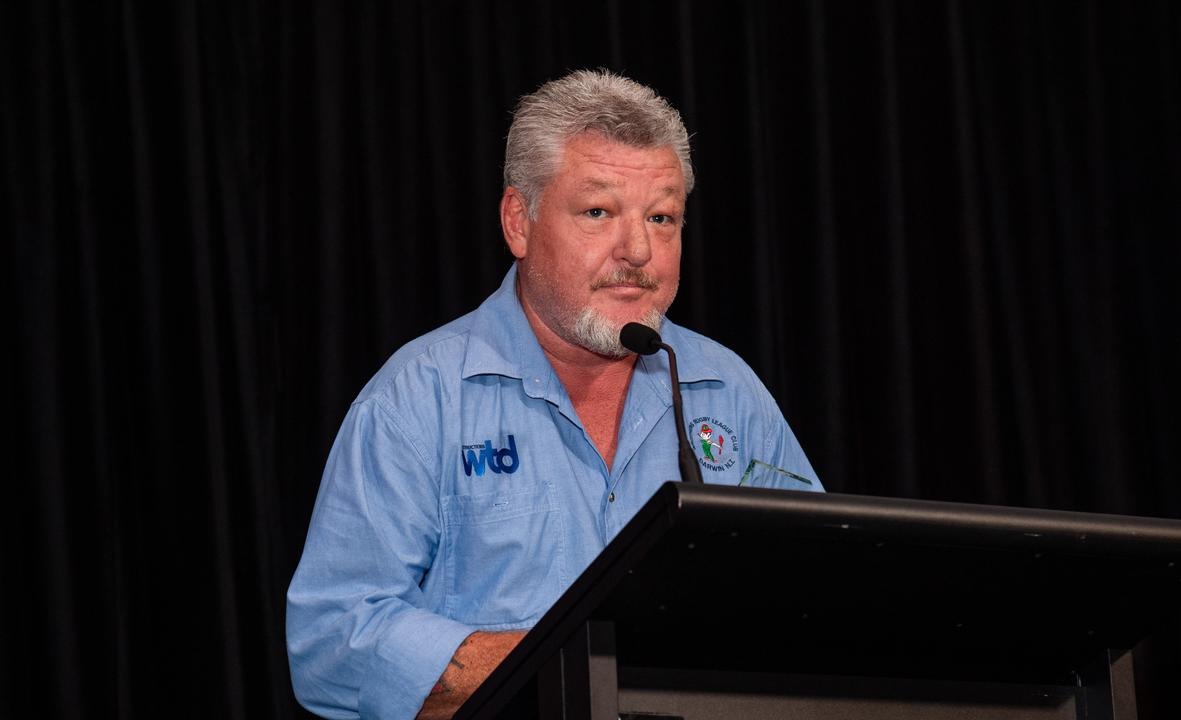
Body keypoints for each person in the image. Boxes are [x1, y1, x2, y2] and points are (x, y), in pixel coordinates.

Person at [286, 69, 822, 720]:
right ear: (520, 221)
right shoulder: (419, 398)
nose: (638, 251)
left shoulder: (724, 390)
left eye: (662, 217)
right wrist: (563, 667)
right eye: (599, 212)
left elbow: (817, 594)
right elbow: (331, 640)